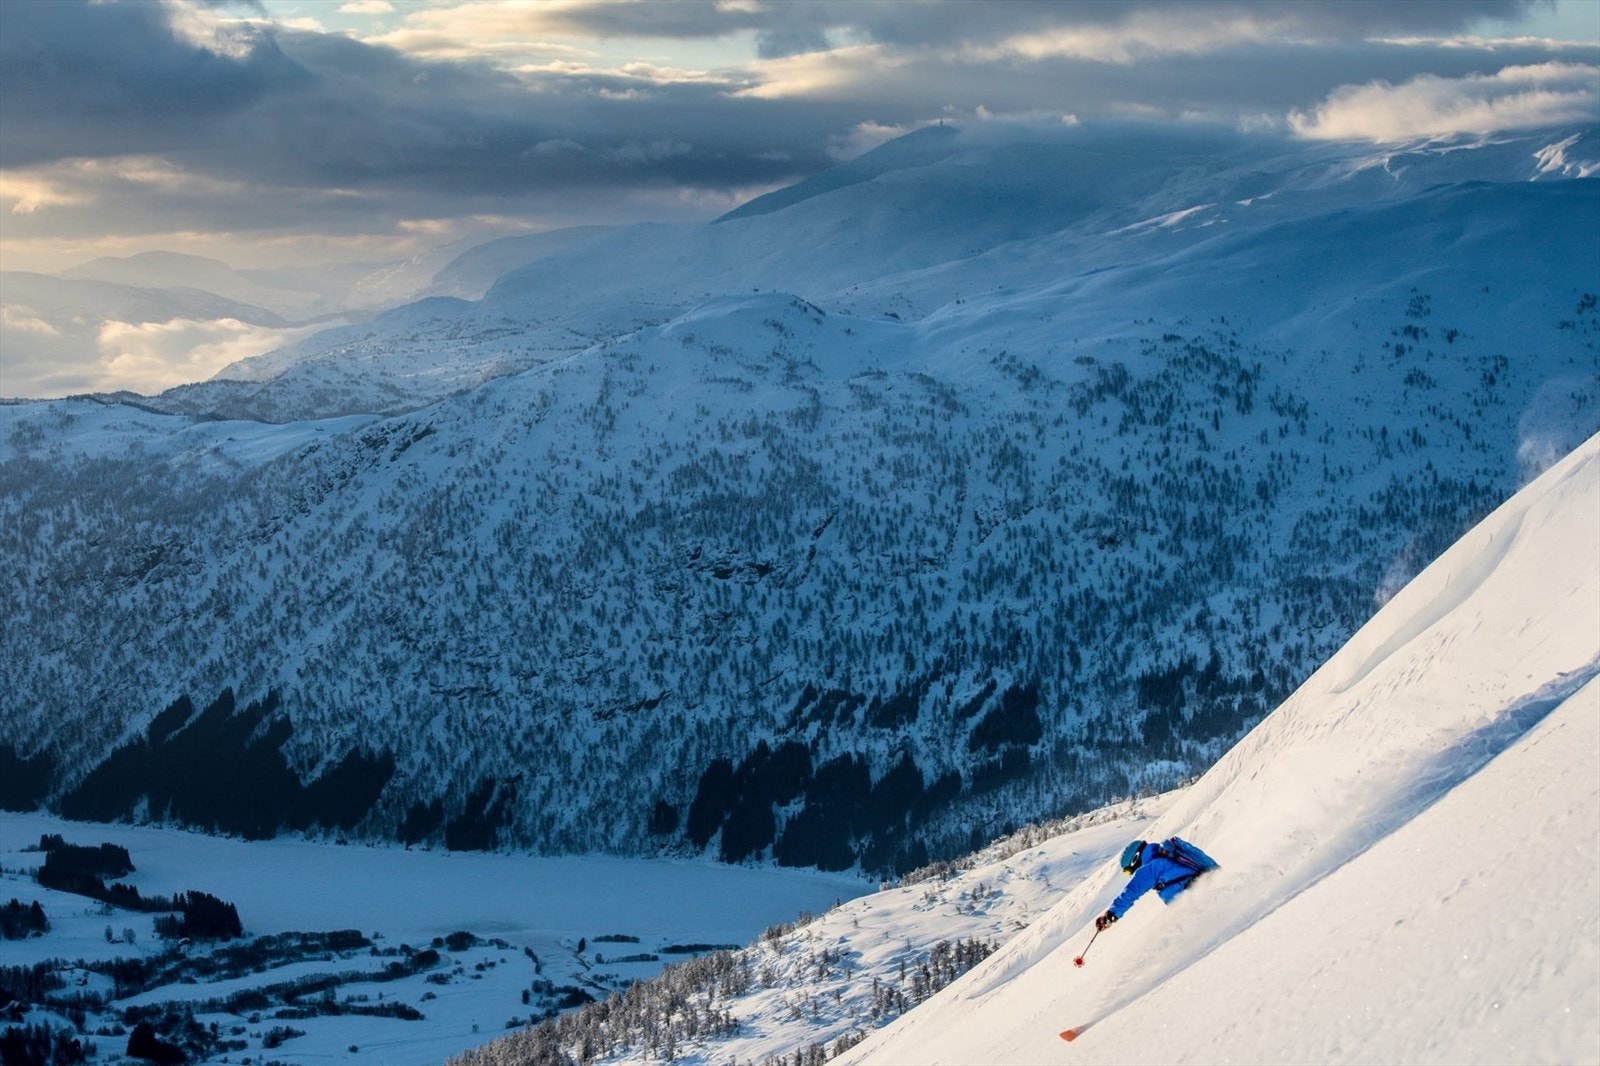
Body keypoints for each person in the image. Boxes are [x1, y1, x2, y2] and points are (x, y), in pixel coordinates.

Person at [1095, 837, 1217, 930]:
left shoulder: (1150, 868)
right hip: (1200, 887)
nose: (1131, 874)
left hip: (1194, 893)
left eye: (1128, 871)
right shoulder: (1161, 860)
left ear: (1135, 860)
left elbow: (1132, 891)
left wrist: (1111, 915)